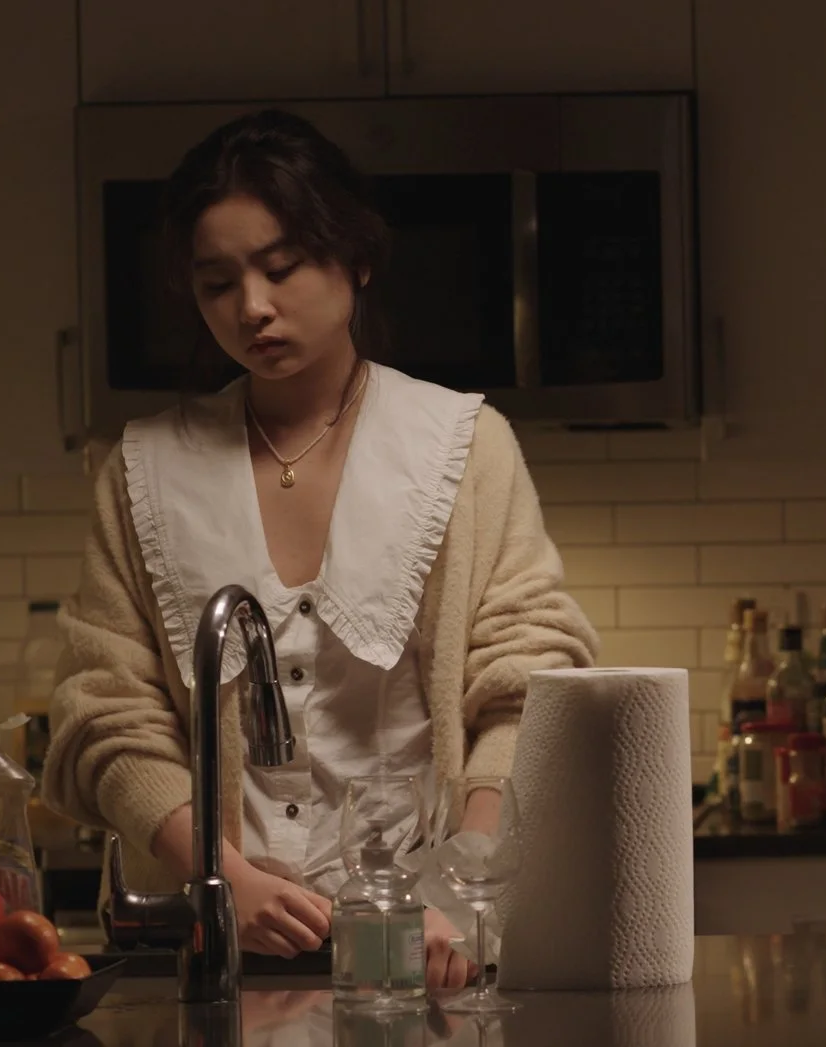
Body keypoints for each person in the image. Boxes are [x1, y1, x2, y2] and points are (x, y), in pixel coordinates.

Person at [44, 110, 599, 990]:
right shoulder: (143, 468)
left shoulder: (463, 445)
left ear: (357, 258)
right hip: (218, 951)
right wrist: (217, 876)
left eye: (280, 267)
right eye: (217, 282)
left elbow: (524, 685)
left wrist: (466, 883)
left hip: (431, 946)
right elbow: (105, 710)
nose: (251, 307)